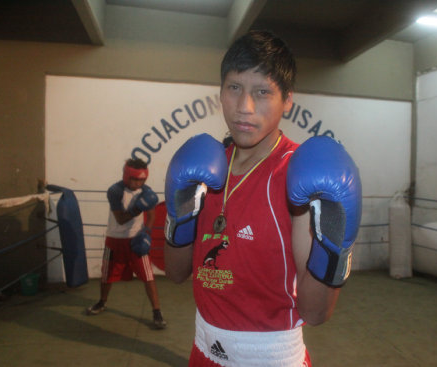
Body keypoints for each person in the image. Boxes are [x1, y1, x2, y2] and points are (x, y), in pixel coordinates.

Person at [164, 30, 362, 366]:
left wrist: (333, 248)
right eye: (235, 88)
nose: (244, 107)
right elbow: (176, 273)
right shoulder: (207, 167)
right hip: (202, 351)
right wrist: (179, 216)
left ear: (287, 100)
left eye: (262, 92)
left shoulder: (295, 177)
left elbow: (314, 313)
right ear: (221, 91)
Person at [87, 158, 167, 330]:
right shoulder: (115, 191)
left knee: (148, 275)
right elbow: (121, 219)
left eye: (141, 180)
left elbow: (152, 215)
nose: (138, 183)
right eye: (134, 179)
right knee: (106, 274)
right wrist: (138, 208)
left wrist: (147, 232)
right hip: (114, 239)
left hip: (136, 239)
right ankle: (102, 302)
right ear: (126, 176)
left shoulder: (147, 192)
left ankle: (157, 312)